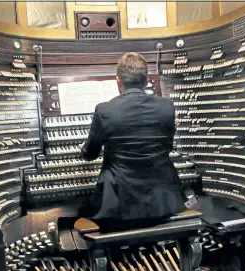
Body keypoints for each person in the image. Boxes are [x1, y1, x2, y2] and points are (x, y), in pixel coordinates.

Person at [77, 52, 186, 225]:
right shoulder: (167, 107)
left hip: (119, 204)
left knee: (80, 210)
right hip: (163, 201)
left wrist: (82, 149)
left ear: (118, 81)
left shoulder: (105, 110)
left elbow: (91, 154)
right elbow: (167, 148)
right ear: (147, 81)